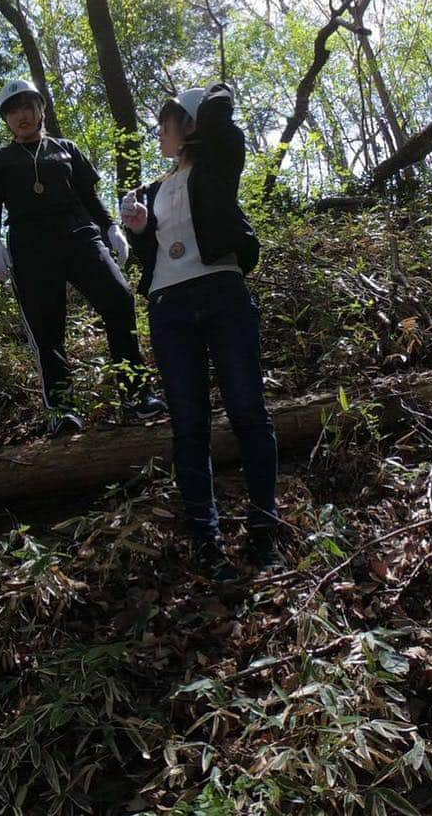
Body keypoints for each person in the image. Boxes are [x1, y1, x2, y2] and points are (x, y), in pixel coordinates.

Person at [120, 82, 282, 580]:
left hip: (222, 292)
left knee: (248, 411)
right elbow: (147, 260)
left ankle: (263, 530)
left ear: (188, 125)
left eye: (167, 123)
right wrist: (141, 230)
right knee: (189, 425)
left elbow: (225, 125)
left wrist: (202, 101)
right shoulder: (152, 189)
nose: (159, 133)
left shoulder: (217, 163)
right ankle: (207, 542)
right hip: (169, 306)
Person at [0, 77, 166, 436]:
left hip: (78, 235)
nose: (22, 116)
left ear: (41, 109)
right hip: (30, 248)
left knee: (118, 296)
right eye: (13, 111)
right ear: (6, 119)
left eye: (27, 107)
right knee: (46, 327)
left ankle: (136, 392)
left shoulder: (66, 148)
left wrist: (111, 228)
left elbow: (89, 196)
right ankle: (62, 408)